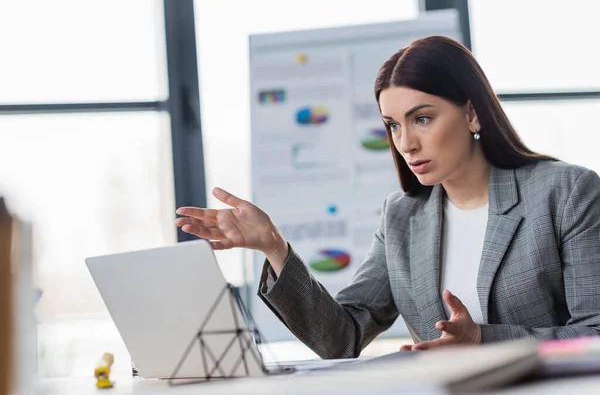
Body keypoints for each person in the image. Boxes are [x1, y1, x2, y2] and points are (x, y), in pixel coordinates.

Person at [174, 36, 600, 359]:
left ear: (472, 113)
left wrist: (482, 338)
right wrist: (274, 246)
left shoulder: (565, 193)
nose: (407, 143)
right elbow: (340, 337)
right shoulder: (402, 218)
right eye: (393, 125)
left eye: (423, 118)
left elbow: (595, 333)